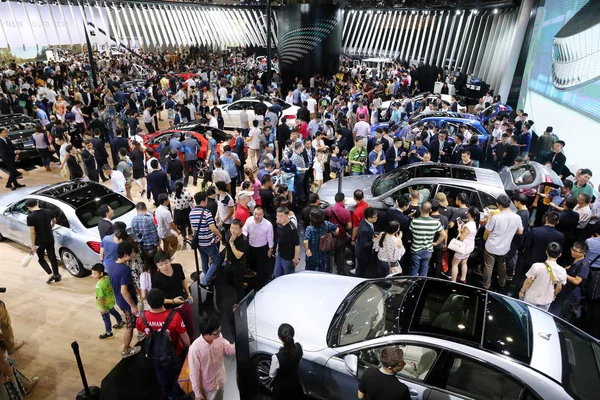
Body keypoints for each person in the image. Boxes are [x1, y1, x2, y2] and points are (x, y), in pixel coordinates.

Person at [136, 288, 190, 399]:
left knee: (161, 374)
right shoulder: (174, 316)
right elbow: (184, 335)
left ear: (149, 302)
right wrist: (189, 348)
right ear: (163, 300)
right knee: (179, 374)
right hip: (175, 352)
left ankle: (168, 394)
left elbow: (140, 332)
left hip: (154, 354)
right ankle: (176, 395)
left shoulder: (141, 318)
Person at [482, 194, 524, 290]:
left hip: (491, 246)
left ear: (499, 205)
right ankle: (502, 283)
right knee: (502, 265)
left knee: (488, 266)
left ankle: (486, 285)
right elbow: (520, 231)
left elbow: (487, 231)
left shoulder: (495, 217)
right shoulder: (517, 217)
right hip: (504, 248)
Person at [188, 314, 236, 400]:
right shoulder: (195, 349)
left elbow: (228, 349)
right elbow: (194, 374)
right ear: (207, 334)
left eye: (219, 331)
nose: (219, 334)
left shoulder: (218, 337)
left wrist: (235, 346)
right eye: (216, 333)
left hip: (220, 381)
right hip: (208, 388)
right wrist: (198, 395)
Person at [107, 242, 141, 359]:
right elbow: (124, 291)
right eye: (132, 253)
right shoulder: (125, 269)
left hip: (119, 300)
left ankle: (141, 334)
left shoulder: (111, 265)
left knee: (134, 321)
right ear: (126, 255)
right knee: (129, 326)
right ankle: (126, 349)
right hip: (126, 302)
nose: (133, 254)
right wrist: (133, 306)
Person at [151, 251, 195, 341]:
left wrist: (188, 294)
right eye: (160, 265)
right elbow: (159, 299)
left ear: (170, 261)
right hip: (170, 310)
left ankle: (191, 344)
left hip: (183, 303)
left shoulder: (178, 267)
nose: (164, 267)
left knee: (190, 326)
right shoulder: (156, 279)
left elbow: (183, 280)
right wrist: (173, 301)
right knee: (176, 331)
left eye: (166, 262)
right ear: (157, 266)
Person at [190, 192, 223, 291]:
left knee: (204, 259)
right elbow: (213, 228)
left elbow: (194, 228)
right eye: (206, 200)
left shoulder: (191, 213)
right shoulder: (206, 212)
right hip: (208, 242)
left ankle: (208, 276)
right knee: (216, 260)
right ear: (203, 201)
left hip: (199, 242)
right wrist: (220, 235)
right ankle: (205, 281)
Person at [519, 242, 567, 311]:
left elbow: (528, 281)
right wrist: (554, 295)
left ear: (546, 252)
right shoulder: (562, 271)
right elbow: (559, 287)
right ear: (560, 255)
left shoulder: (537, 266)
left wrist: (522, 291)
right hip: (546, 300)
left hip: (531, 298)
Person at [25, 199, 61, 284]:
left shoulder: (30, 217)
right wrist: (50, 227)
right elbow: (54, 221)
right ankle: (56, 275)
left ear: (29, 208)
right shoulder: (48, 211)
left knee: (41, 258)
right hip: (50, 238)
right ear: (37, 203)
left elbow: (33, 232)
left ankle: (50, 274)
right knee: (52, 256)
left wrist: (33, 245)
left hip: (39, 241)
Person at [554, 242, 590, 322]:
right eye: (572, 249)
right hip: (567, 291)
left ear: (582, 253)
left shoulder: (584, 266)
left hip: (572, 296)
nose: (572, 252)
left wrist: (563, 274)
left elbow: (577, 281)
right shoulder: (576, 260)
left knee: (565, 317)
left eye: (575, 251)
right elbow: (571, 267)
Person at [409, 202, 446, 276]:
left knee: (414, 268)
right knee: (424, 268)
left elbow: (411, 231)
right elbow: (443, 235)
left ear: (420, 209)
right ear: (430, 210)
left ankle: (412, 283)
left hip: (416, 249)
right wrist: (436, 243)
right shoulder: (436, 222)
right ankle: (422, 284)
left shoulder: (414, 221)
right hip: (428, 250)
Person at [269, 323, 303, 400]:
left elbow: (272, 375)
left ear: (279, 337)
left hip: (282, 389)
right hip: (294, 383)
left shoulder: (276, 357)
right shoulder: (299, 347)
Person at [91, 264, 125, 340]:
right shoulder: (107, 278)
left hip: (104, 305)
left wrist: (103, 308)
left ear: (101, 273)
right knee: (113, 312)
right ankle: (120, 322)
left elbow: (101, 298)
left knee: (106, 319)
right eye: (92, 273)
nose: (92, 275)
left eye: (94, 274)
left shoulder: (99, 286)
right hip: (110, 301)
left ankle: (109, 333)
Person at [326, 192, 353, 275]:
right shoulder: (346, 212)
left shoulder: (328, 210)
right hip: (341, 236)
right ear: (343, 200)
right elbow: (349, 226)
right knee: (340, 255)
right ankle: (340, 271)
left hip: (331, 237)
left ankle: (328, 271)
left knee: (330, 255)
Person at [450, 207, 479, 283]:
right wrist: (463, 225)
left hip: (463, 247)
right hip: (470, 246)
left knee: (454, 264)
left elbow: (461, 237)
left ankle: (453, 281)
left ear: (469, 214)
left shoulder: (468, 226)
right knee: (464, 262)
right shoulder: (476, 224)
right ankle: (463, 279)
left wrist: (459, 229)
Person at [224, 219, 249, 305]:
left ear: (241, 229)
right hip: (229, 263)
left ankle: (239, 303)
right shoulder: (228, 233)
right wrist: (226, 256)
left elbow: (238, 255)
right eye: (232, 228)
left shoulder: (244, 240)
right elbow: (227, 247)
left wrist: (232, 243)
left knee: (239, 287)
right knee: (227, 279)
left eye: (236, 229)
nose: (233, 231)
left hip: (239, 265)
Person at [274, 207, 300, 278]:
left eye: (281, 216)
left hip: (288, 258)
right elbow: (279, 237)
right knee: (277, 274)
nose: (279, 218)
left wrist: (295, 258)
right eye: (277, 215)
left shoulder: (292, 229)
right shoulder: (279, 224)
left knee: (289, 277)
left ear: (287, 215)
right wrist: (277, 247)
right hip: (279, 254)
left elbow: (297, 244)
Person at [156, 194, 181, 258]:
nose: (169, 201)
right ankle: (167, 258)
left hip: (160, 232)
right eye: (167, 199)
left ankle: (166, 256)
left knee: (166, 246)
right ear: (165, 201)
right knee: (175, 245)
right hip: (167, 233)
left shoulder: (157, 209)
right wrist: (177, 231)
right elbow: (171, 224)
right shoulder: (166, 212)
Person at [355, 207, 378, 277]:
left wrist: (373, 235)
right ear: (368, 218)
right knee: (361, 269)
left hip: (365, 251)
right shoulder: (364, 230)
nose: (376, 218)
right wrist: (373, 241)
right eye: (374, 217)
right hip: (363, 254)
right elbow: (364, 245)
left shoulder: (365, 221)